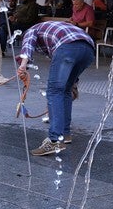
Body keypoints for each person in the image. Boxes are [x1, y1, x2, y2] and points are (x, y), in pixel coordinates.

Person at [17, 20, 96, 156]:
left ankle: (54, 140)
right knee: (65, 89)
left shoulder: (31, 30)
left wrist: (23, 65)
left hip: (67, 47)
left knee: (54, 91)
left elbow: (28, 45)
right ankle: (64, 134)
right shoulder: (52, 28)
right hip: (88, 49)